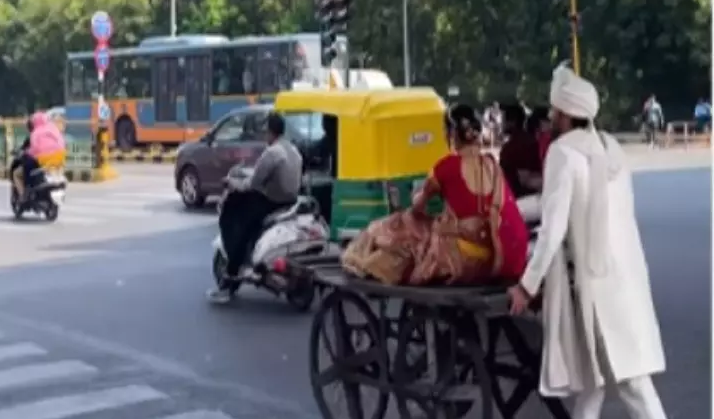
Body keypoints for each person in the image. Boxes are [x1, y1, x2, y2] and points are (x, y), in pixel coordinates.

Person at [508, 67, 698, 419]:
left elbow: (553, 228)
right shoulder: (610, 149)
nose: (549, 116)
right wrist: (509, 207)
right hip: (626, 278)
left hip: (596, 287)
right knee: (599, 374)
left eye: (553, 109)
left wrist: (527, 285)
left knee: (634, 388)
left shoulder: (562, 154)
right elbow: (564, 206)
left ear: (565, 114)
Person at [341, 104, 528, 287]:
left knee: (396, 224)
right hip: (490, 258)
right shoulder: (492, 165)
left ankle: (359, 258)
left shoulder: (446, 167)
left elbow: (417, 209)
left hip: (459, 260)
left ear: (452, 134)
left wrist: (416, 197)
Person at [208, 112, 302, 303]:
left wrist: (232, 183)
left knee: (240, 226)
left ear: (270, 132)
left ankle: (231, 275)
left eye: (265, 132)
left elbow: (253, 184)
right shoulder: (293, 150)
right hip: (290, 202)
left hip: (271, 202)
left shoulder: (272, 152)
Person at [497, 102, 543, 220]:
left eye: (503, 119)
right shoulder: (529, 141)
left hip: (521, 203)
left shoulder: (515, 146)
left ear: (512, 121)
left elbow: (526, 179)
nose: (500, 123)